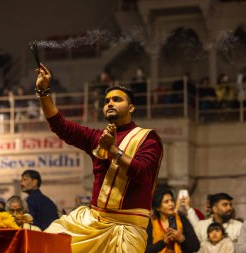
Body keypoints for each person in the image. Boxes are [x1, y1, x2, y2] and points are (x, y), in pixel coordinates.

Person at [34, 63, 163, 253]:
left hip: (128, 227)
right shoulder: (96, 137)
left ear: (131, 107)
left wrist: (111, 148)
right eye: (106, 101)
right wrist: (43, 91)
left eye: (117, 99)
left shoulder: (147, 138)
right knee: (47, 244)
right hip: (92, 221)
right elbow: (60, 125)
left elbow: (142, 173)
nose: (109, 103)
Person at [145, 187, 200, 253]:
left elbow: (195, 246)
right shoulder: (151, 223)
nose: (171, 204)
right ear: (157, 207)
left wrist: (181, 238)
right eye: (166, 202)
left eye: (172, 200)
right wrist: (163, 242)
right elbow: (146, 250)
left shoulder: (182, 219)